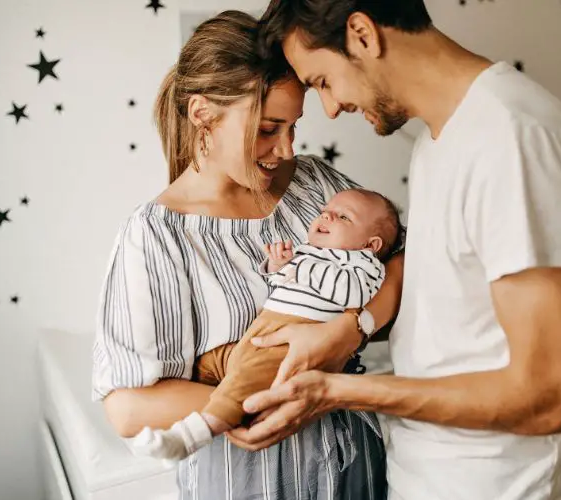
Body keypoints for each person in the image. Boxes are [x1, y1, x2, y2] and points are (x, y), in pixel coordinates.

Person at [234, 1, 561, 499]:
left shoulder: (514, 139)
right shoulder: (438, 139)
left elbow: (548, 398)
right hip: (433, 474)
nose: (330, 107)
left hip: (504, 485)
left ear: (363, 34)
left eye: (323, 81)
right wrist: (354, 327)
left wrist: (338, 392)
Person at [91, 10, 404, 499]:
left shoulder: (316, 186)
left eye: (293, 128)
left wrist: (351, 330)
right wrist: (273, 398)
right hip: (249, 481)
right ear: (202, 115)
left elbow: (402, 264)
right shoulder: (157, 236)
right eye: (267, 129)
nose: (284, 149)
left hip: (354, 463)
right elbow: (128, 408)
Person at [129, 188, 403, 461]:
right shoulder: (309, 252)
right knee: (210, 362)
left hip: (290, 344)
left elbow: (350, 294)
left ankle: (188, 438)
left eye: (342, 217)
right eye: (324, 212)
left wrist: (299, 266)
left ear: (371, 244)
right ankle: (200, 407)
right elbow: (281, 285)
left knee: (242, 384)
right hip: (262, 332)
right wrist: (277, 266)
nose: (327, 217)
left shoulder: (364, 265)